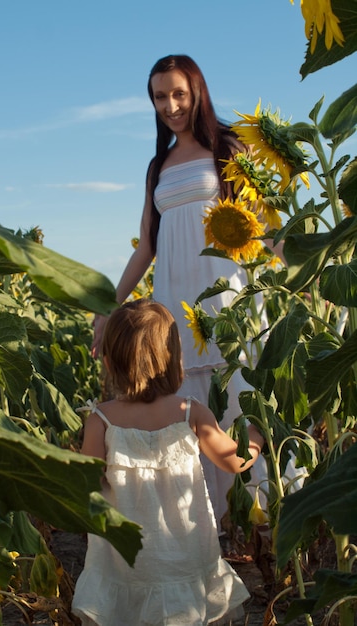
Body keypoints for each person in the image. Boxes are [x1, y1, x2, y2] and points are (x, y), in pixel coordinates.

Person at [92, 54, 266, 525]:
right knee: (188, 412)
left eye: (178, 94)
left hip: (229, 298)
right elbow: (146, 246)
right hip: (177, 303)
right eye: (159, 97)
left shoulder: (231, 149)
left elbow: (265, 227)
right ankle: (207, 530)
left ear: (197, 93)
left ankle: (261, 525)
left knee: (242, 401)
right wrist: (109, 307)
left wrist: (305, 268)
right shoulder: (159, 166)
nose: (169, 105)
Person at [73, 299, 264, 626]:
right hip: (183, 561)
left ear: (108, 362)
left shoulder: (100, 421)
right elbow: (235, 460)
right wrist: (257, 435)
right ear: (175, 360)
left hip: (123, 565)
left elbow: (84, 485)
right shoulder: (190, 413)